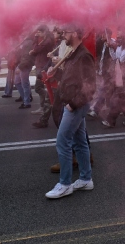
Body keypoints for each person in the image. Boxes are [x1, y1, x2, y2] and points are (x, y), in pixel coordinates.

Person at [45, 25, 97, 199]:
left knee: (63, 141)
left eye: (65, 33)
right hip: (71, 102)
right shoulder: (73, 54)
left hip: (76, 105)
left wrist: (73, 104)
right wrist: (55, 73)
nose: (62, 35)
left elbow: (90, 87)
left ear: (75, 33)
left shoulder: (84, 56)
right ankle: (85, 179)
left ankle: (65, 183)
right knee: (80, 141)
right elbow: (71, 79)